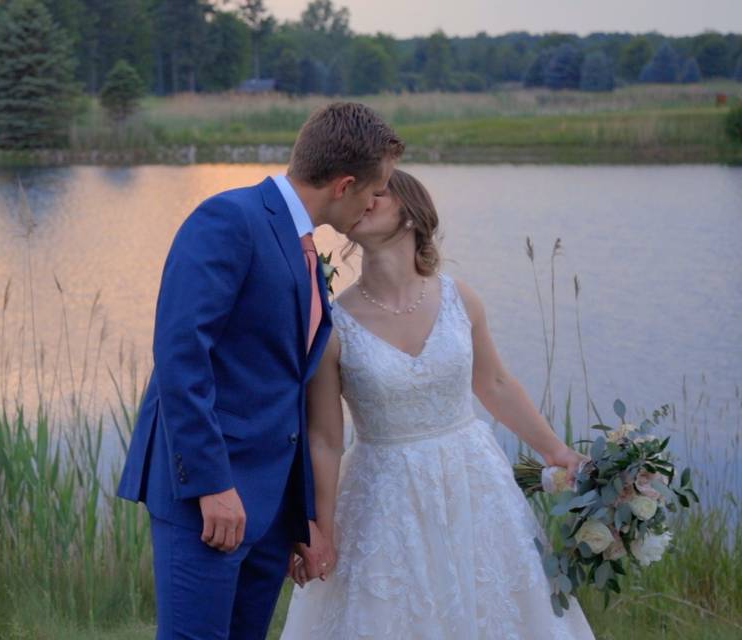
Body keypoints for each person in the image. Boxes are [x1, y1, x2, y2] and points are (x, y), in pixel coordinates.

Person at [116, 102, 404, 639]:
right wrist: (211, 484)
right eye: (375, 189)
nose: (374, 203)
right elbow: (181, 355)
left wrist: (301, 517)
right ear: (345, 184)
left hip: (269, 509)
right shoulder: (230, 219)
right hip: (208, 496)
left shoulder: (305, 250)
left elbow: (288, 388)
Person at [280, 169, 595, 639]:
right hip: (382, 499)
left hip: (473, 486)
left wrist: (558, 453)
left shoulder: (459, 299)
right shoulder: (334, 326)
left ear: (412, 213)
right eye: (362, 193)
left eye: (379, 193)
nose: (364, 200)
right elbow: (326, 440)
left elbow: (495, 384)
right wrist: (320, 529)